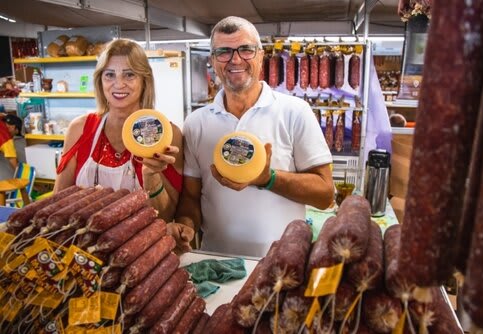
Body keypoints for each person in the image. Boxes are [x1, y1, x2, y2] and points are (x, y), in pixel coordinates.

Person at [173, 16, 334, 257]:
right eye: (224, 52)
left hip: (283, 263)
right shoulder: (196, 123)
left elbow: (325, 194)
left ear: (260, 55)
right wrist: (185, 226)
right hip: (217, 261)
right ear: (213, 61)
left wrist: (267, 179)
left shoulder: (294, 111)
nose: (235, 60)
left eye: (246, 50)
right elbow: (191, 197)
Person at [55, 39, 183, 221]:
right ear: (100, 81)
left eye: (129, 75)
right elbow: (58, 200)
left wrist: (151, 177)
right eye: (109, 75)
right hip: (82, 244)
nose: (119, 84)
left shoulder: (167, 134)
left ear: (144, 80)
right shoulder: (80, 128)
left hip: (141, 245)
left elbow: (167, 215)